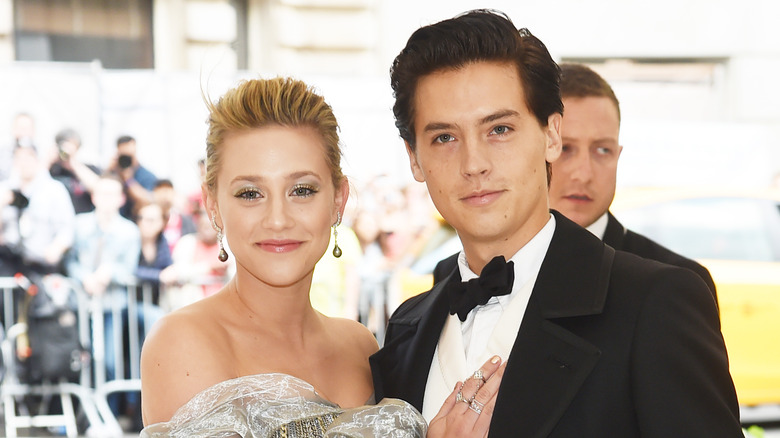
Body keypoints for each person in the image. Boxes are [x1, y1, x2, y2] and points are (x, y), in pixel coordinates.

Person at [369, 9, 742, 437]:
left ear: (551, 135)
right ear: (414, 158)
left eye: (499, 129)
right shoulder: (406, 329)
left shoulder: (653, 305)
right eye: (444, 138)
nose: (474, 164)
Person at [0, 141, 75, 277]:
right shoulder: (4, 189)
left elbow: (67, 228)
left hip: (41, 263)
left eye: (28, 157)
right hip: (8, 262)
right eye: (19, 158)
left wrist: (57, 248)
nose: (24, 163)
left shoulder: (54, 189)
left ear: (37, 159)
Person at [47, 128, 102, 214]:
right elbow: (31, 185)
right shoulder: (50, 170)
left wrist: (73, 164)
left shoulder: (88, 169)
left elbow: (101, 188)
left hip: (82, 220)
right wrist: (48, 160)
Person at [106, 135, 158, 219]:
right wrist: (108, 169)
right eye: (123, 156)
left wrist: (128, 180)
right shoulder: (112, 173)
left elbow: (148, 200)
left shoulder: (147, 176)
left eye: (129, 156)